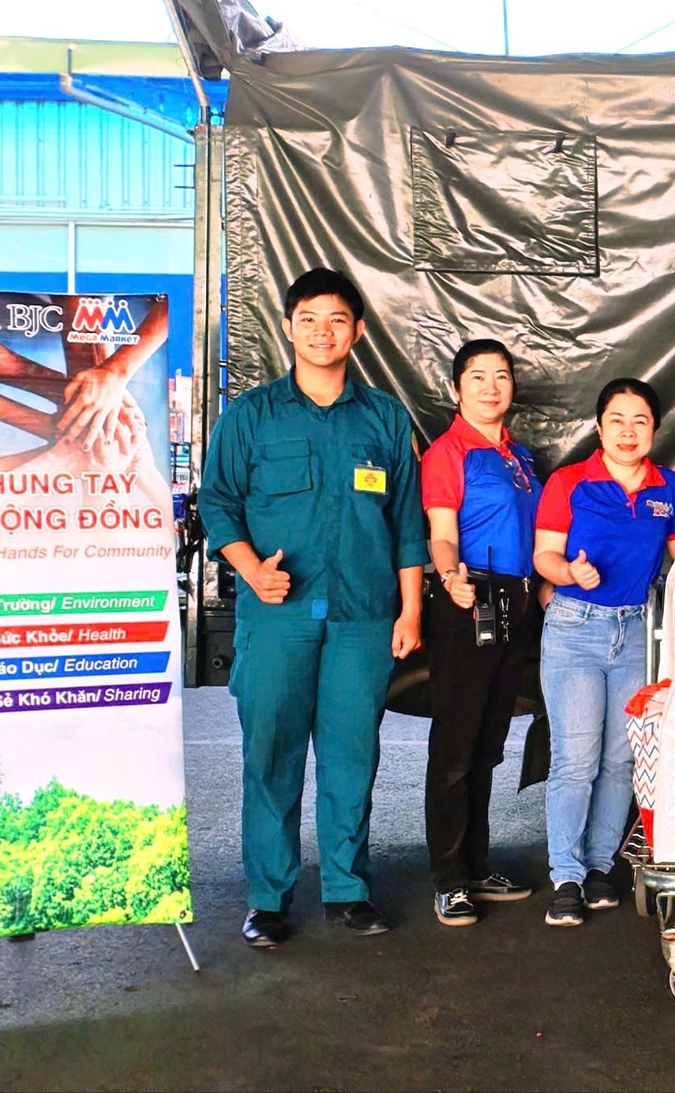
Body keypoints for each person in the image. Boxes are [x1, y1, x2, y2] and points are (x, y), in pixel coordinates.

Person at [198, 267, 426, 948]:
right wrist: (250, 571)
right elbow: (218, 502)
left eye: (337, 320)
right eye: (309, 319)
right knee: (272, 754)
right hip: (277, 618)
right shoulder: (251, 416)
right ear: (288, 328)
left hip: (364, 617)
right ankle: (269, 897)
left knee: (352, 755)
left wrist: (410, 611)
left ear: (358, 331)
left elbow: (406, 522)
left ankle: (348, 888)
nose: (322, 332)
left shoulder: (385, 418)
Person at [534, 378, 675, 926]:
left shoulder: (669, 487)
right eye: (616, 420)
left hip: (637, 631)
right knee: (576, 759)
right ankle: (566, 876)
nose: (628, 431)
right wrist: (568, 573)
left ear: (654, 430)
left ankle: (600, 866)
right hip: (575, 628)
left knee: (621, 759)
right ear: (599, 428)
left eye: (640, 421)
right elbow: (544, 556)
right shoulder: (570, 482)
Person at [421, 339, 543, 926]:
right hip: (471, 598)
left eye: (501, 376)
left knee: (489, 743)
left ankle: (476, 865)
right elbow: (442, 533)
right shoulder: (448, 452)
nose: (491, 387)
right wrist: (450, 577)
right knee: (456, 748)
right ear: (456, 388)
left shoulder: (521, 458)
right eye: (477, 376)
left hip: (519, 603)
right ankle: (449, 881)